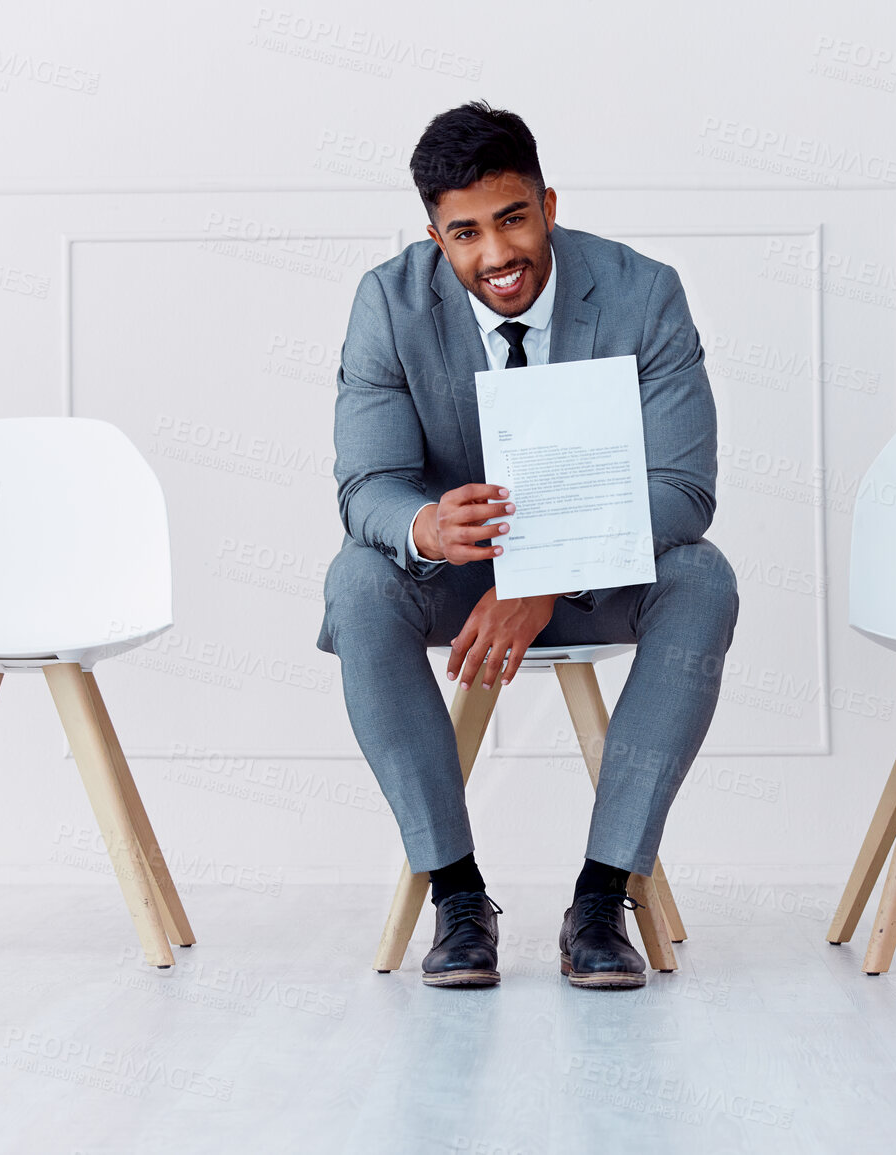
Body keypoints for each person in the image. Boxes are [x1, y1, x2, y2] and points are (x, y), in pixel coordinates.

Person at [317, 101, 739, 990]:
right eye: (464, 233)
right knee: (357, 580)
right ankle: (457, 895)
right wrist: (425, 525)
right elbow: (368, 488)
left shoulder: (642, 290)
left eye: (512, 218)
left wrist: (547, 570)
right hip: (457, 581)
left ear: (547, 203)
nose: (496, 255)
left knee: (702, 577)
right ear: (434, 235)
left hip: (600, 575)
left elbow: (684, 487)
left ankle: (601, 896)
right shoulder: (386, 303)